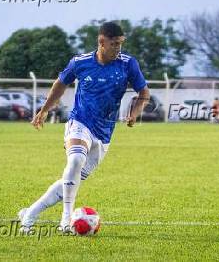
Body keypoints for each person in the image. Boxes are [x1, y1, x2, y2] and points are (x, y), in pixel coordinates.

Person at [18, 22, 150, 233]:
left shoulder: (128, 64)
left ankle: (29, 214)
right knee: (76, 160)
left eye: (121, 44)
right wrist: (44, 110)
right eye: (114, 44)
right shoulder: (80, 62)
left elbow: (144, 94)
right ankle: (66, 221)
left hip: (105, 132)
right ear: (101, 42)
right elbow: (60, 84)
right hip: (80, 121)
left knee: (71, 179)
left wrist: (134, 114)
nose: (119, 48)